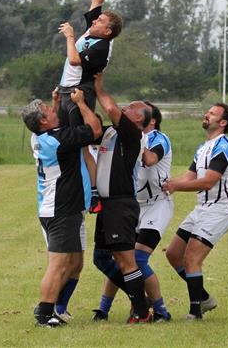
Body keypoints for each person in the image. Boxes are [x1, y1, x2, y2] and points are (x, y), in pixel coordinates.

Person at [22, 89, 102, 328]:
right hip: (60, 210)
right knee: (58, 264)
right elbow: (96, 129)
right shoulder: (60, 139)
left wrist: (57, 103)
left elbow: (53, 123)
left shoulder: (40, 136)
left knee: (75, 263)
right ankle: (44, 314)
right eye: (47, 109)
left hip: (59, 207)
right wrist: (80, 103)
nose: (51, 108)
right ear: (44, 121)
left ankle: (56, 307)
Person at [93, 103, 174, 322]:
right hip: (133, 204)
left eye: (133, 108)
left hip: (155, 206)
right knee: (120, 256)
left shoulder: (158, 138)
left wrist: (134, 142)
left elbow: (149, 160)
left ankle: (160, 310)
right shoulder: (121, 134)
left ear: (151, 120)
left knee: (136, 258)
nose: (126, 108)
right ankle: (104, 309)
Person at [163, 103, 228, 320]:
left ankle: (196, 312)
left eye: (212, 113)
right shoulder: (204, 147)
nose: (207, 114)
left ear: (222, 123)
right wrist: (167, 183)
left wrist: (175, 187)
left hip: (220, 209)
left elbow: (208, 182)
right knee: (173, 254)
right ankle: (204, 297)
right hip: (202, 208)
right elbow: (189, 177)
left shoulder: (223, 146)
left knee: (192, 257)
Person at [91, 73, 153, 324]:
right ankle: (140, 299)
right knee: (101, 257)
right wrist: (81, 103)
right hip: (107, 205)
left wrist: (98, 86)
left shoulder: (131, 133)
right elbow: (93, 127)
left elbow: (108, 106)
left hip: (120, 203)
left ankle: (141, 311)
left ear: (138, 118)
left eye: (131, 108)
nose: (125, 108)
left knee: (126, 261)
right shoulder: (110, 134)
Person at [57, 0, 125, 128]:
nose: (95, 21)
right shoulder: (94, 32)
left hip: (80, 92)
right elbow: (97, 0)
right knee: (63, 137)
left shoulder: (102, 47)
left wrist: (70, 36)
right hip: (66, 90)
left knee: (78, 138)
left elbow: (74, 61)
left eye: (100, 21)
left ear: (107, 31)